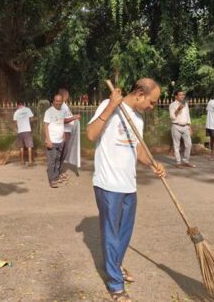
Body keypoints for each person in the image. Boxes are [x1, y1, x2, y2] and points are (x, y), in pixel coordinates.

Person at [86, 78, 165, 301]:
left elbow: (139, 152)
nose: (152, 107)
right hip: (108, 183)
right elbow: (91, 134)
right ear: (139, 94)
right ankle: (115, 285)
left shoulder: (138, 120)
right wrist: (111, 106)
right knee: (111, 234)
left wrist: (153, 163)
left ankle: (116, 266)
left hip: (129, 184)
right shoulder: (108, 105)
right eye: (151, 102)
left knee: (124, 234)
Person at [44, 94, 76, 188]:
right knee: (52, 161)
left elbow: (62, 122)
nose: (58, 103)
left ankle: (56, 176)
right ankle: (52, 180)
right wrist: (48, 140)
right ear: (53, 101)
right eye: (56, 101)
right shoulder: (49, 112)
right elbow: (45, 126)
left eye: (60, 101)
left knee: (58, 159)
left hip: (60, 140)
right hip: (52, 140)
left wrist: (63, 136)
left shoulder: (63, 111)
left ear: (62, 102)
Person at [169, 90, 195, 168]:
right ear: (176, 96)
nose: (182, 96)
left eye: (183, 95)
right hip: (176, 126)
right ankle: (178, 162)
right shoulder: (172, 105)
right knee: (177, 145)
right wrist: (179, 109)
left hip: (186, 126)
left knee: (189, 145)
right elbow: (172, 117)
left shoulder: (185, 104)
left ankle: (186, 161)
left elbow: (188, 115)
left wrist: (190, 127)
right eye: (180, 95)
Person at [58, 88, 81, 174]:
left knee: (64, 152)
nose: (68, 96)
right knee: (62, 152)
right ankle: (57, 172)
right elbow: (62, 120)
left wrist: (74, 117)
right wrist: (74, 117)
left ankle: (59, 172)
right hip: (64, 132)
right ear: (65, 95)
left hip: (67, 131)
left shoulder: (64, 105)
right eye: (68, 95)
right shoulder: (62, 106)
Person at [13, 101, 35, 165]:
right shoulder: (28, 109)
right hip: (27, 130)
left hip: (20, 131)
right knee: (29, 146)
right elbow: (32, 118)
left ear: (18, 105)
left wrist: (18, 128)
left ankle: (22, 161)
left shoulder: (16, 112)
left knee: (21, 147)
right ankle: (30, 161)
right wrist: (28, 123)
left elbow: (16, 123)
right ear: (23, 104)